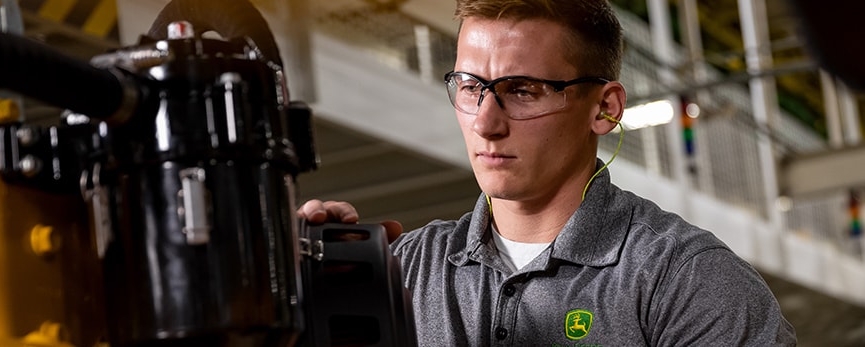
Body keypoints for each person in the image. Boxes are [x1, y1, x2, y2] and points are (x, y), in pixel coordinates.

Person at [297, 0, 796, 345]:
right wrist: (293, 300)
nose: (486, 124)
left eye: (523, 90)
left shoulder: (687, 280)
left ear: (604, 108)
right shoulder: (405, 272)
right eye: (471, 87)